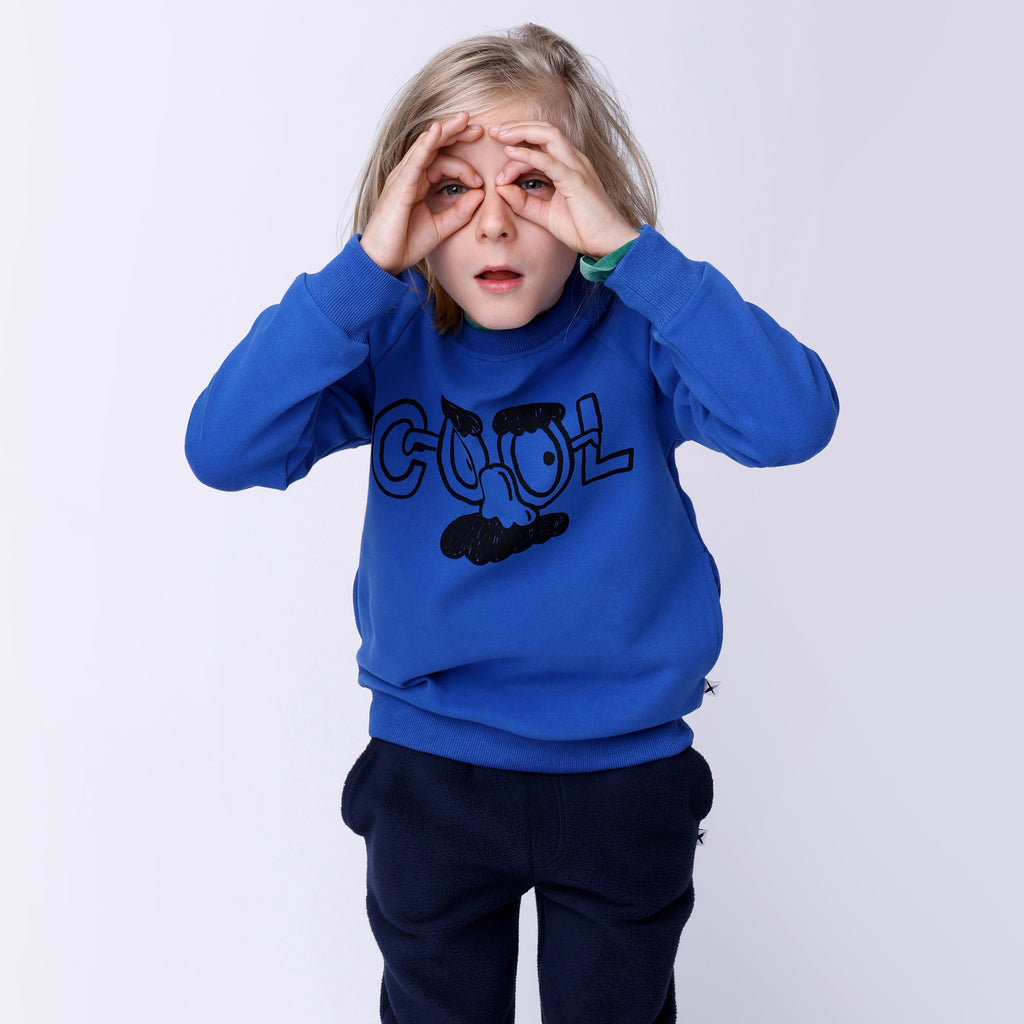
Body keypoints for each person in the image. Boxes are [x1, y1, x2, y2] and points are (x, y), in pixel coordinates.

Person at [185, 23, 839, 1024]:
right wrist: (365, 270)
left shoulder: (641, 332)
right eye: (451, 190)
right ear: (405, 207)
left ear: (590, 195)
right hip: (430, 774)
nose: (493, 225)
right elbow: (223, 448)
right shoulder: (388, 333)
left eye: (533, 183)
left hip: (624, 775)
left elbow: (792, 422)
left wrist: (635, 255)